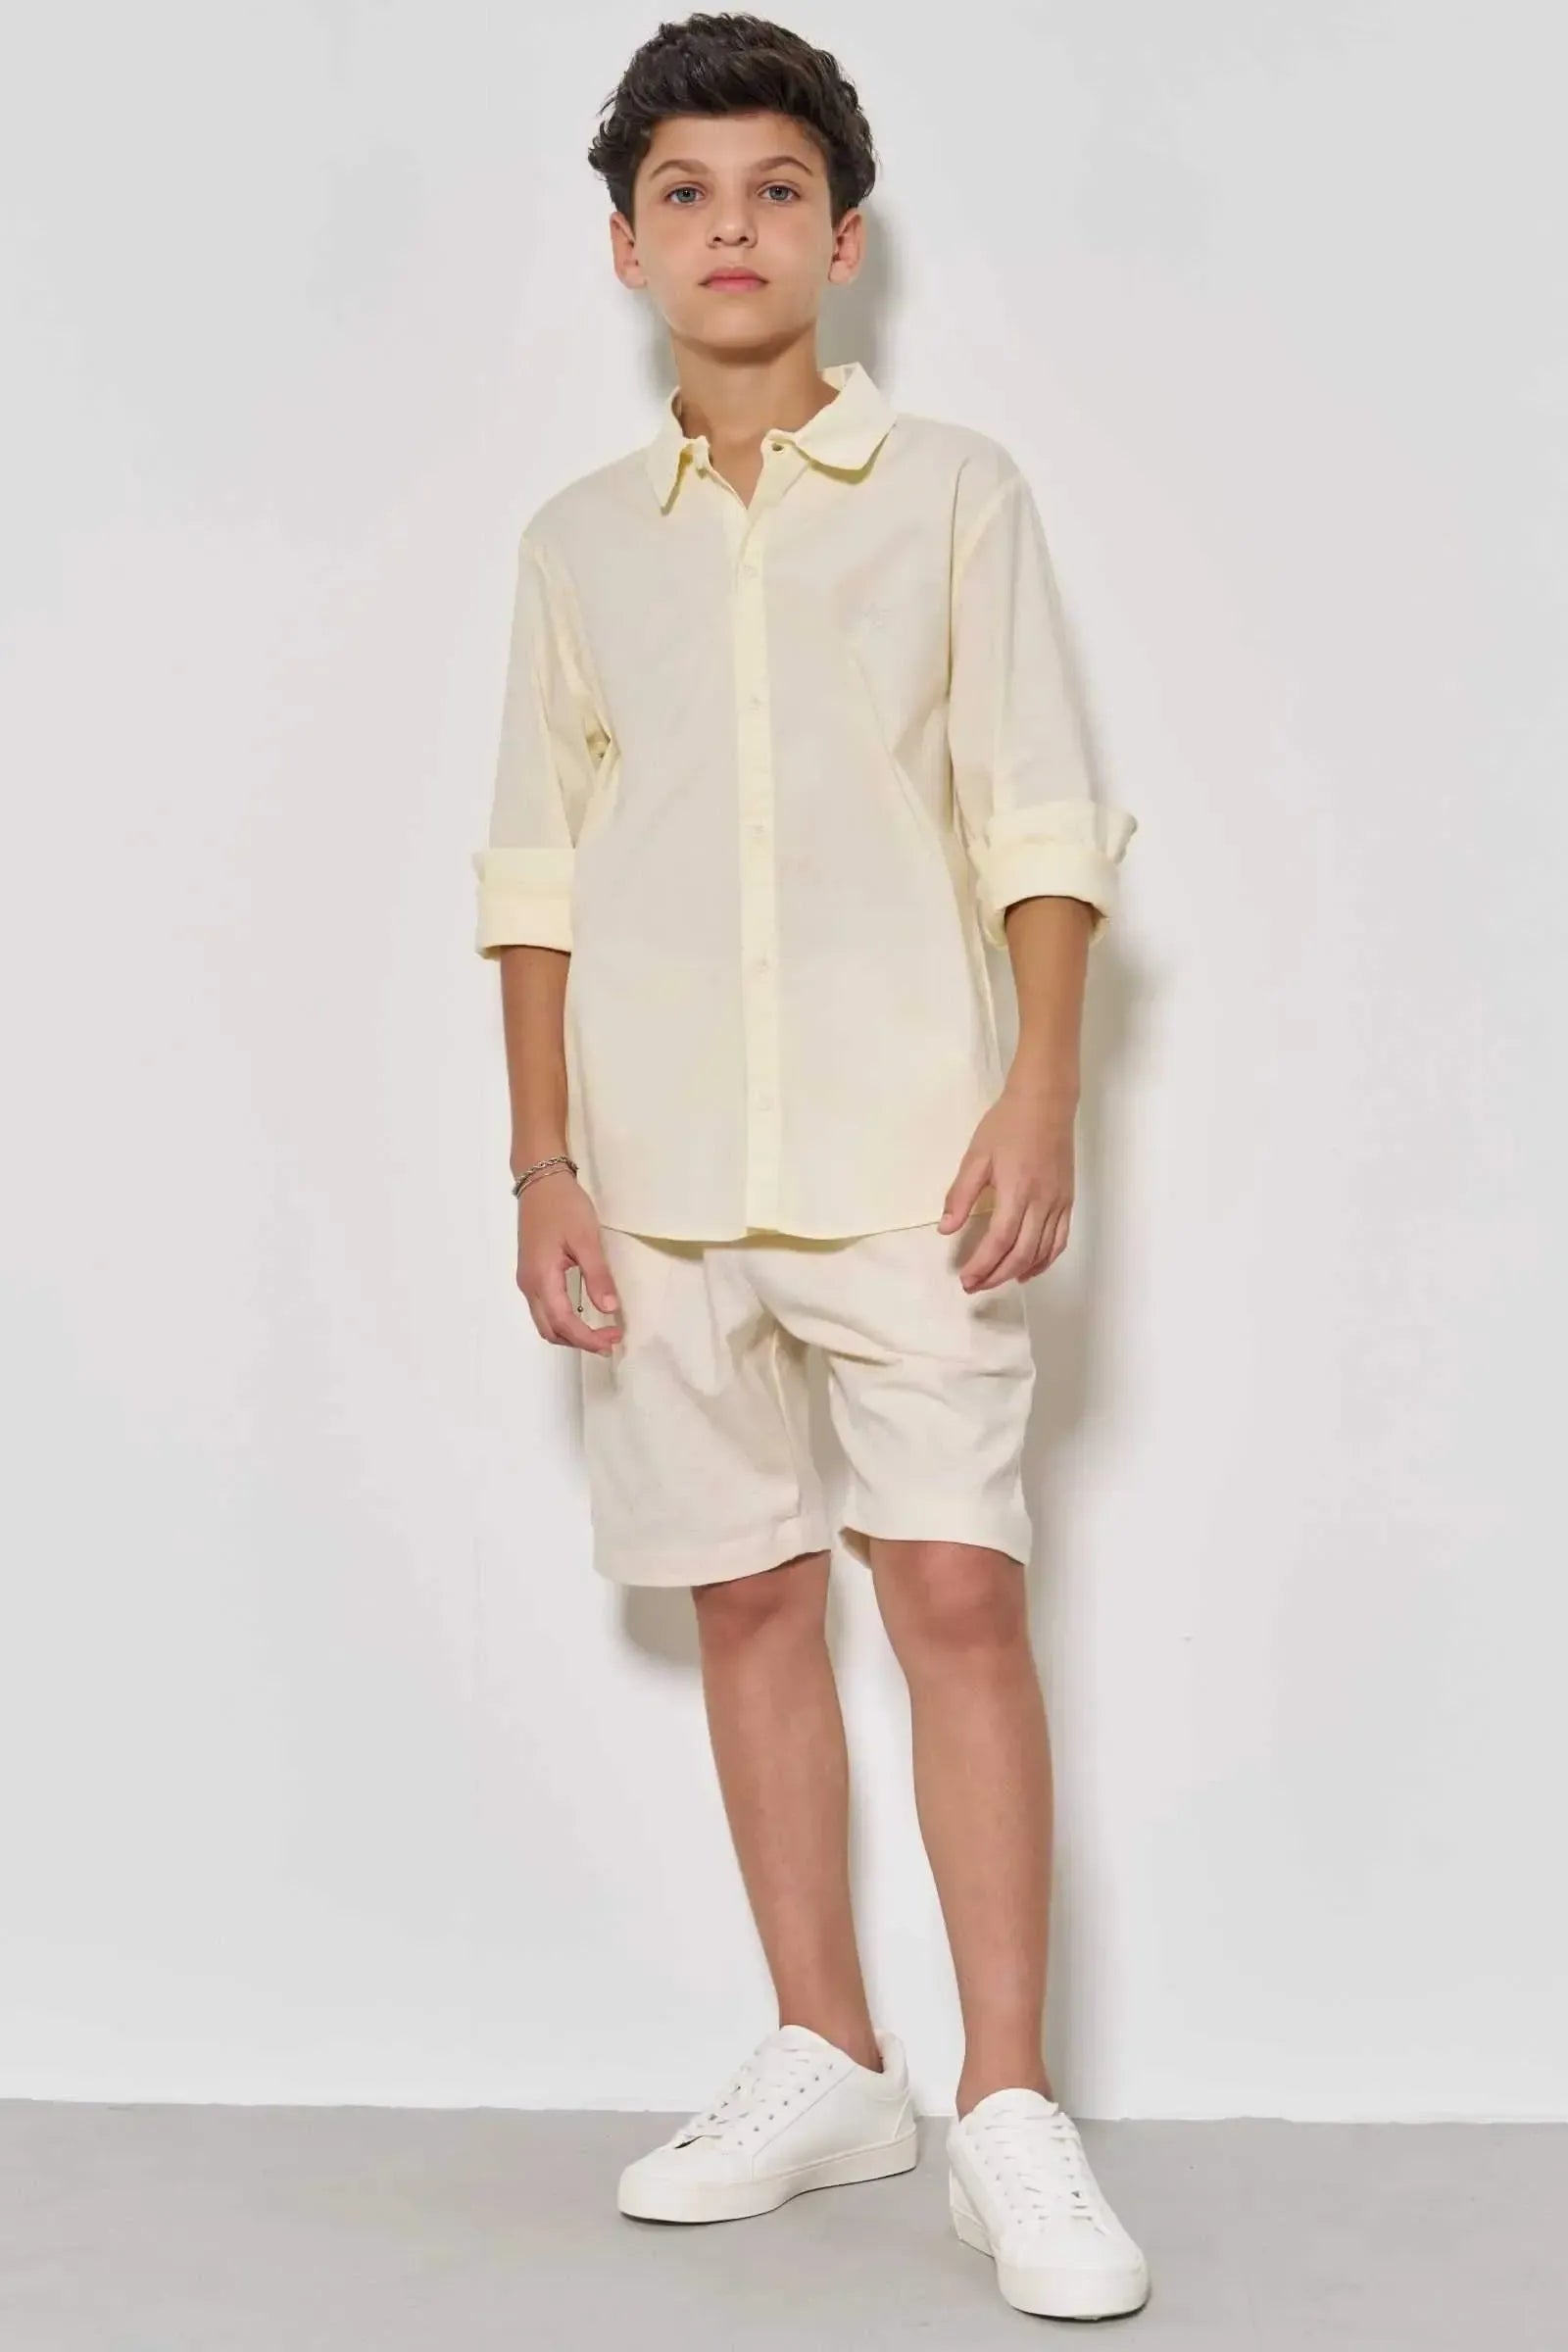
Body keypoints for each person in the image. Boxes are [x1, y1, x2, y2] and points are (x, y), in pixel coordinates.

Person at [471, 10, 1149, 2325]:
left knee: (951, 1588)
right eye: (682, 194)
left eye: (773, 188)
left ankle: (1004, 2103)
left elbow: (1033, 807)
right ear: (626, 248)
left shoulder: (953, 493)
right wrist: (540, 1163)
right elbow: (534, 871)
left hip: (906, 1151)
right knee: (747, 1594)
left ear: (841, 238)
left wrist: (1040, 1089)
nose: (728, 227)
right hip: (655, 1169)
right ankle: (827, 2056)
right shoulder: (577, 545)